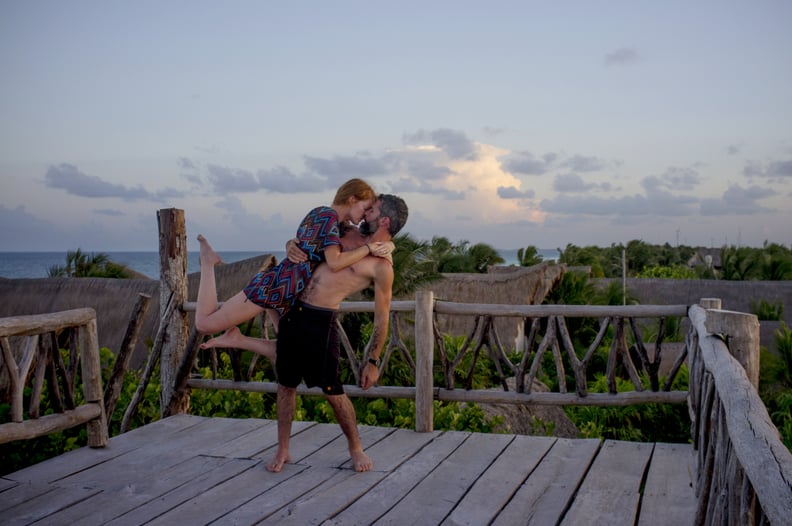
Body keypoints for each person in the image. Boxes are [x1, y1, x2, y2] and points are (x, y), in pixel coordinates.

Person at [202, 194, 409, 473]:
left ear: (384, 220)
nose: (364, 213)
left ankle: (356, 448)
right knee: (285, 386)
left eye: (371, 210)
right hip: (293, 307)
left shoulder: (382, 266)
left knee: (333, 391)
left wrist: (372, 360)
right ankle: (283, 449)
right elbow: (307, 240)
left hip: (321, 321)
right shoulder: (343, 233)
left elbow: (382, 318)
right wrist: (290, 245)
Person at [194, 178, 393, 337]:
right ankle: (208, 262)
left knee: (286, 351)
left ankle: (237, 340)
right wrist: (369, 248)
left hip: (285, 295)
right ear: (352, 199)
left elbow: (302, 243)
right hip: (273, 289)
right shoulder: (328, 218)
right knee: (205, 324)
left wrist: (388, 245)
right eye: (364, 207)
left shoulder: (324, 215)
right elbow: (335, 262)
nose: (365, 215)